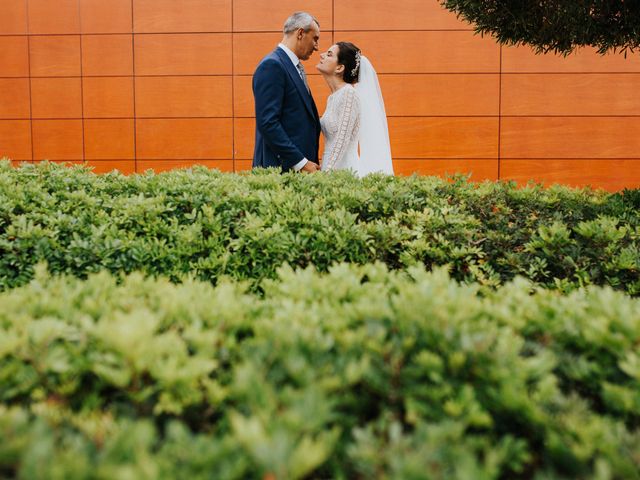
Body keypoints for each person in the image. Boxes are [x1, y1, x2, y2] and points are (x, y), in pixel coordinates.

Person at [252, 12, 322, 173]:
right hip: (280, 172)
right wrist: (301, 162)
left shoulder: (290, 65)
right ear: (300, 33)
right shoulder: (272, 65)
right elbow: (268, 122)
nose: (317, 47)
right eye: (315, 38)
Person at [316, 42, 394, 176]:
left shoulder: (349, 94)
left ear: (339, 67)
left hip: (343, 170)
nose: (321, 55)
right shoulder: (333, 97)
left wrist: (326, 172)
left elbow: (342, 139)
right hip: (330, 165)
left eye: (329, 54)